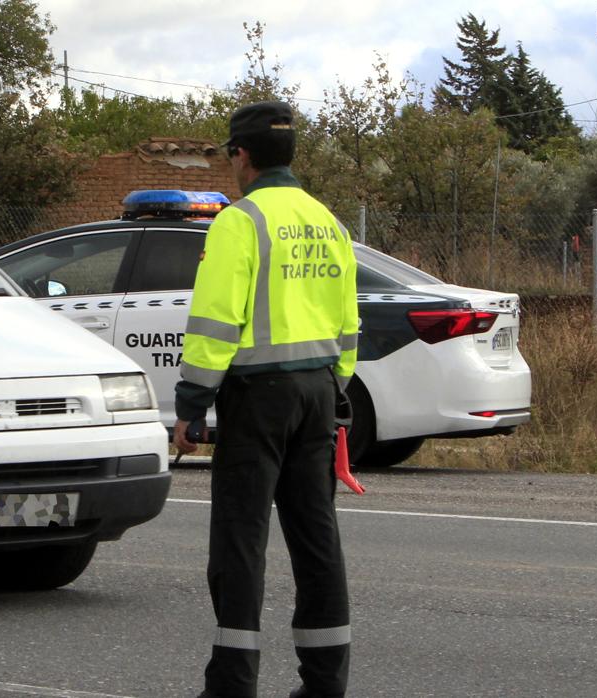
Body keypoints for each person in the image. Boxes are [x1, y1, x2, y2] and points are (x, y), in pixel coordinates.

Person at [174, 100, 359, 698]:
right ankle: (325, 683)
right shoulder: (327, 221)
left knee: (240, 541)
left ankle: (232, 685)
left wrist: (191, 405)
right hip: (318, 394)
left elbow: (214, 325)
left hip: (258, 400)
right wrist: (337, 390)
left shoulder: (240, 222)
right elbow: (348, 323)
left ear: (242, 155)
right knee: (316, 539)